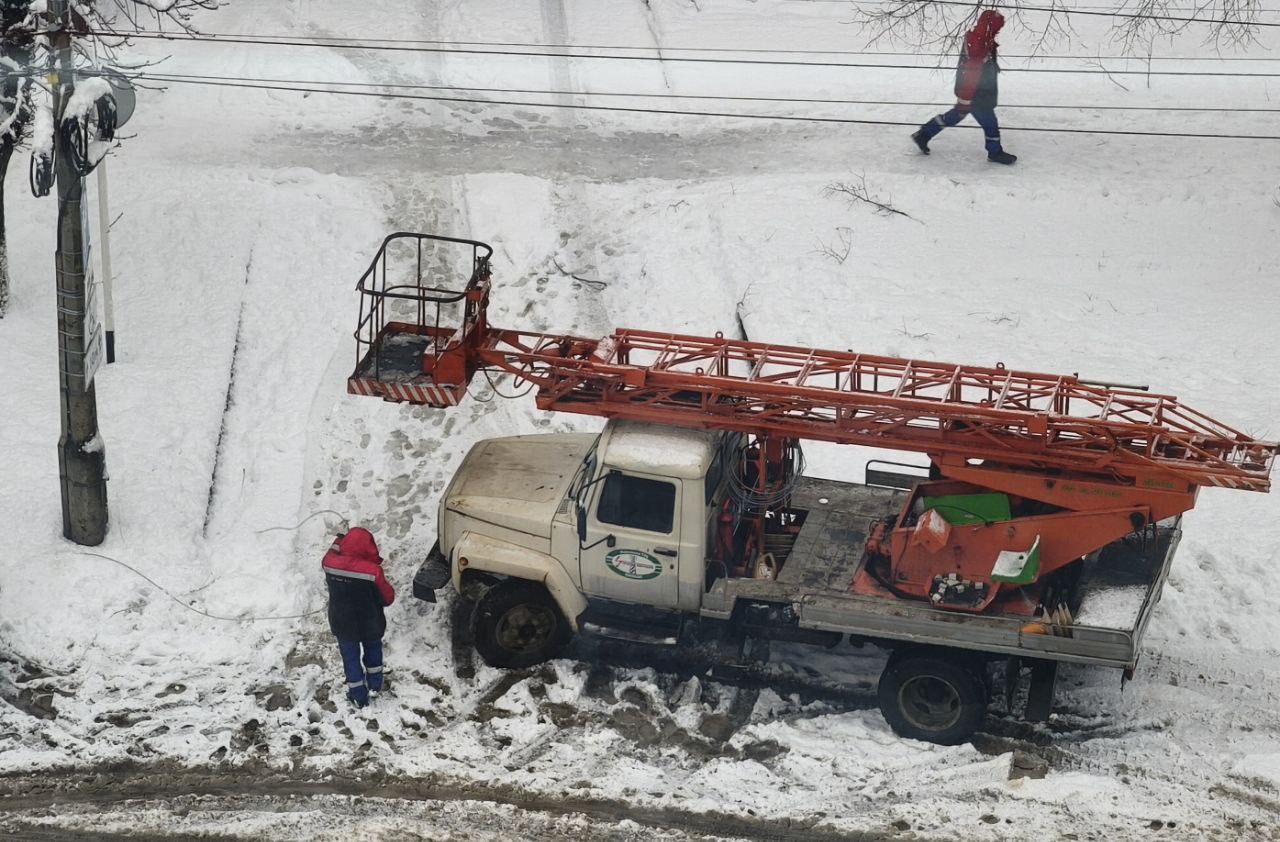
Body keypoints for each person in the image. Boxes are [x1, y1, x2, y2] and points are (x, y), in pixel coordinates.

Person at [911, 10, 1017, 165]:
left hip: (976, 92)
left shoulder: (981, 37)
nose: (998, 31)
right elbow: (971, 73)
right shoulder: (978, 42)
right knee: (990, 123)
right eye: (997, 27)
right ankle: (995, 152)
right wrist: (965, 99)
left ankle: (924, 134)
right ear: (990, 26)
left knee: (955, 116)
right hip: (977, 94)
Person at [322, 527, 395, 707]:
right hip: (370, 623)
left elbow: (332, 551)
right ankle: (375, 684)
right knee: (373, 654)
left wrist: (339, 540)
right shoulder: (372, 571)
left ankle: (358, 695)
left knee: (350, 659)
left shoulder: (329, 563)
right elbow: (388, 599)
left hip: (342, 624)